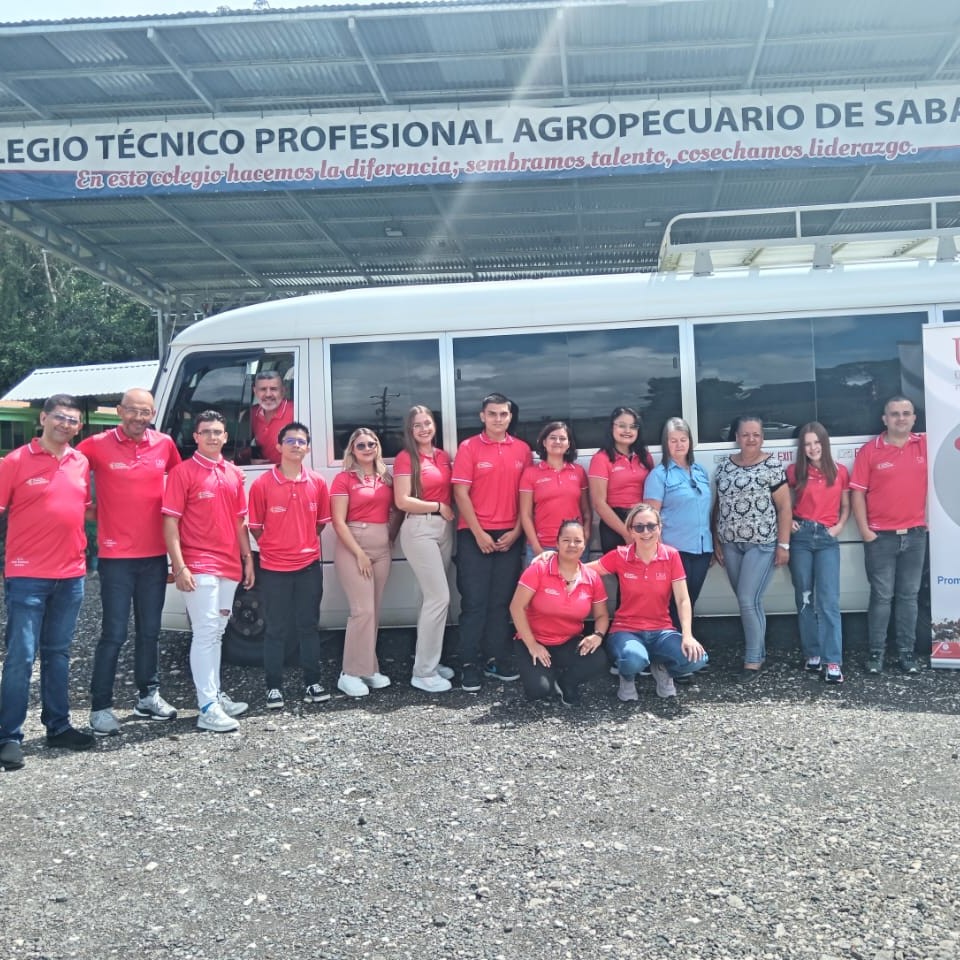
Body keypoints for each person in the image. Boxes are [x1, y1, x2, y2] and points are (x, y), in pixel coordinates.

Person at [79, 388, 181, 737]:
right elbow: (66, 470)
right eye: (133, 411)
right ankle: (100, 707)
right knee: (114, 633)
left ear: (153, 414)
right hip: (116, 557)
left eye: (146, 412)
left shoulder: (164, 444)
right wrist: (88, 510)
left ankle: (148, 696)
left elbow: (182, 483)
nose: (139, 418)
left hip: (154, 555)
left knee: (150, 632)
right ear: (119, 411)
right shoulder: (97, 444)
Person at [0, 395, 95, 771]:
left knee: (58, 654)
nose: (65, 425)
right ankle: (8, 736)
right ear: (43, 418)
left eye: (72, 420)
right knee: (21, 657)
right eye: (59, 417)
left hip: (70, 575)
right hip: (26, 575)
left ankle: (58, 726)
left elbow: (79, 510)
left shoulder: (80, 462)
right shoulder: (14, 462)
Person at [162, 410, 254, 732]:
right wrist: (179, 566)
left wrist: (247, 558)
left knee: (217, 632)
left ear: (225, 437)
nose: (213, 437)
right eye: (206, 432)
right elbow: (170, 522)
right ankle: (207, 708)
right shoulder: (182, 472)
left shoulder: (233, 473)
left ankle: (214, 696)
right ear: (196, 437)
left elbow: (239, 521)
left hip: (229, 564)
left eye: (218, 432)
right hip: (199, 564)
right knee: (205, 632)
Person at [452, 393, 532, 692]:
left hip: (510, 535)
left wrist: (516, 531)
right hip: (475, 535)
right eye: (493, 414)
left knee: (501, 603)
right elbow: (460, 494)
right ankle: (468, 663)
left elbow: (526, 497)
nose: (498, 419)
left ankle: (495, 659)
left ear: (510, 417)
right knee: (475, 602)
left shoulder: (522, 450)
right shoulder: (468, 447)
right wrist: (478, 533)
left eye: (503, 414)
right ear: (482, 416)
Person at [248, 420, 331, 710]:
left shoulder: (318, 483)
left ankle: (313, 682)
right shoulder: (262, 484)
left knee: (309, 626)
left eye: (301, 441)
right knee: (276, 629)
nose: (296, 445)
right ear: (279, 446)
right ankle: (273, 687)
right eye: (290, 441)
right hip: (274, 570)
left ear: (308, 448)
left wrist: (301, 543)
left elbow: (320, 523)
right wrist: (276, 545)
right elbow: (255, 527)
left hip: (308, 567)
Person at [591, 503, 708, 702]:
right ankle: (627, 677)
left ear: (659, 528)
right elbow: (582, 570)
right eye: (639, 527)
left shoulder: (671, 555)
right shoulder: (620, 555)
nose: (646, 532)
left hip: (662, 631)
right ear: (630, 531)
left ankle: (663, 669)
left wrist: (687, 636)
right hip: (626, 630)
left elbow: (682, 599)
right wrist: (552, 558)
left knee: (697, 659)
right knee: (634, 659)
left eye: (651, 526)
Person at [850, 395, 928, 675]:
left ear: (914, 418)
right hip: (881, 537)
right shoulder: (870, 451)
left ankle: (907, 653)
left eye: (906, 413)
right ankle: (876, 654)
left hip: (916, 535)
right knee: (882, 597)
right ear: (885, 419)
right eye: (894, 414)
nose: (901, 418)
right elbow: (857, 493)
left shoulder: (925, 445)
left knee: (909, 596)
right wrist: (864, 530)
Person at [713, 415, 792, 680]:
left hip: (762, 544)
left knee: (747, 600)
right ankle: (758, 653)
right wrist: (716, 540)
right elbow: (718, 506)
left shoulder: (772, 465)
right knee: (749, 601)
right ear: (737, 437)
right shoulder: (724, 467)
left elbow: (784, 508)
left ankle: (752, 661)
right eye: (745, 434)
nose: (751, 439)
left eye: (756, 434)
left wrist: (783, 545)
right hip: (731, 544)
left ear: (762, 438)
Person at [509, 519, 609, 705]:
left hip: (567, 641)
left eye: (577, 541)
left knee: (599, 660)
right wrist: (532, 644)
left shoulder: (591, 577)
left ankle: (566, 682)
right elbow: (516, 607)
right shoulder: (539, 569)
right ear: (557, 543)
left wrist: (597, 635)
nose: (572, 545)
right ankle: (545, 672)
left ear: (584, 545)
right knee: (539, 690)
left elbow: (602, 615)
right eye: (566, 540)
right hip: (534, 640)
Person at [393, 405, 456, 694]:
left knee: (427, 599)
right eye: (417, 425)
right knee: (439, 597)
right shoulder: (406, 458)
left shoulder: (442, 456)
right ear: (410, 430)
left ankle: (429, 660)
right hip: (420, 528)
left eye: (427, 423)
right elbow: (402, 500)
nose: (423, 429)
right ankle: (423, 673)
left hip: (443, 529)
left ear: (434, 425)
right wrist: (438, 506)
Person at [331, 427, 398, 698]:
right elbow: (338, 521)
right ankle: (349, 673)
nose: (367, 449)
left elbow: (395, 510)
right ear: (352, 450)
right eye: (361, 445)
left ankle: (368, 667)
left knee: (374, 611)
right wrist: (359, 553)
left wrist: (389, 537)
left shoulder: (386, 478)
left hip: (381, 548)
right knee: (362, 611)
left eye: (372, 444)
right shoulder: (343, 479)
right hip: (354, 547)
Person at [787, 422, 850, 684]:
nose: (813, 448)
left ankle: (832, 660)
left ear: (824, 443)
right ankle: (812, 653)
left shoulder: (840, 471)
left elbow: (845, 505)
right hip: (801, 538)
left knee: (829, 600)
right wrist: (789, 521)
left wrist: (839, 527)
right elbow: (785, 503)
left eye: (817, 442)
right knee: (804, 598)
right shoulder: (794, 471)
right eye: (807, 444)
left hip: (826, 538)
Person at [643, 417, 713, 624]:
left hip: (702, 548)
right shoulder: (659, 475)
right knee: (675, 602)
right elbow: (650, 518)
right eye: (673, 440)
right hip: (674, 550)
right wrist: (658, 551)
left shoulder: (700, 471)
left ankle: (685, 637)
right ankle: (674, 638)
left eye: (683, 439)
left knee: (691, 599)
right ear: (666, 443)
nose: (679, 445)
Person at [519, 421, 591, 557]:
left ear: (568, 444)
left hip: (573, 545)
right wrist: (536, 547)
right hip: (542, 546)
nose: (557, 441)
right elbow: (526, 514)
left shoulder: (579, 472)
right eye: (552, 438)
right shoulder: (530, 473)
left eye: (562, 438)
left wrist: (585, 535)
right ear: (544, 442)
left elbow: (586, 511)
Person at [588, 406, 654, 553]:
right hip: (615, 526)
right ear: (611, 427)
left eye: (633, 426)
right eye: (622, 426)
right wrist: (626, 533)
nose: (627, 431)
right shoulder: (601, 459)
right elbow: (599, 503)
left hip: (642, 522)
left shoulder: (645, 457)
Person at [250, 370, 293, 465]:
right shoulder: (252, 413)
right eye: (263, 389)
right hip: (263, 471)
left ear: (283, 391)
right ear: (255, 391)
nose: (268, 394)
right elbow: (240, 448)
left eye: (273, 389)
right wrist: (250, 460)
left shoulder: (296, 411)